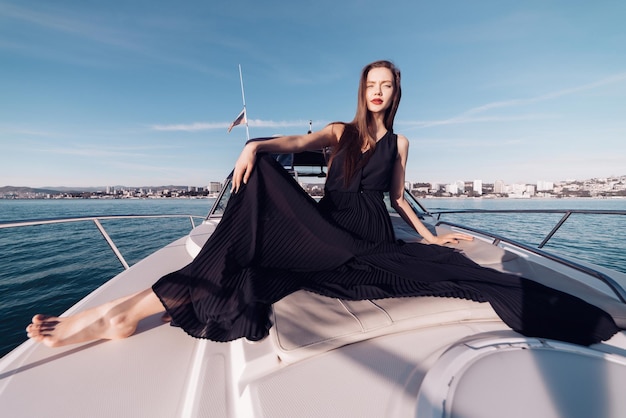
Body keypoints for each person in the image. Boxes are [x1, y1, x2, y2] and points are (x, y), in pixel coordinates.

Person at [27, 60, 620, 348]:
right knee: (250, 232)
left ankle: (115, 318)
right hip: (328, 226)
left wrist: (431, 236)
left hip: (370, 238)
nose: (378, 91)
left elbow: (395, 199)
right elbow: (287, 144)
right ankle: (113, 316)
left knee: (461, 275)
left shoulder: (401, 141)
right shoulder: (340, 132)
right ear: (362, 91)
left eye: (386, 84)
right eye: (371, 84)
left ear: (395, 93)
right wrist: (256, 145)